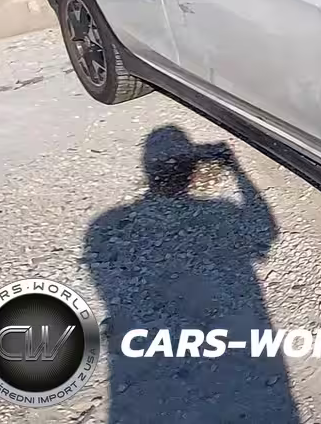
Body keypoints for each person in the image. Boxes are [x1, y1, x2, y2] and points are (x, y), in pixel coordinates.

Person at [84, 126, 300, 423]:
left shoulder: (105, 228)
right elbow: (267, 231)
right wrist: (235, 168)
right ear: (194, 173)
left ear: (148, 172)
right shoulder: (221, 213)